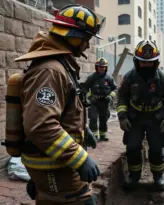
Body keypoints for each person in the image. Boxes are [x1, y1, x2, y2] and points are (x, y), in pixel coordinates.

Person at [14, 5, 104, 205]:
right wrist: (80, 159)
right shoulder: (50, 71)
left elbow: (64, 110)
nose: (87, 46)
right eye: (86, 40)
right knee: (77, 200)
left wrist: (83, 128)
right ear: (73, 36)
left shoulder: (60, 65)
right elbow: (41, 125)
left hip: (57, 163)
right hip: (53, 165)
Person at [117, 40, 164, 188]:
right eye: (143, 62)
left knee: (156, 148)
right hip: (135, 117)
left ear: (156, 62)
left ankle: (158, 176)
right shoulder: (129, 77)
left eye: (150, 62)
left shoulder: (162, 77)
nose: (146, 65)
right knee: (132, 148)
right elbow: (122, 97)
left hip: (155, 118)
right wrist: (122, 117)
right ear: (137, 61)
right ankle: (134, 175)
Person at [84, 57, 117, 141]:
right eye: (100, 67)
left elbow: (115, 88)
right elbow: (85, 88)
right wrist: (90, 97)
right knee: (93, 118)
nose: (101, 68)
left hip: (105, 102)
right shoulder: (92, 77)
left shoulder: (109, 78)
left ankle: (103, 135)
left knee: (103, 118)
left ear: (106, 68)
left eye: (103, 67)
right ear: (96, 67)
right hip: (94, 101)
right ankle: (94, 135)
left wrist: (111, 96)